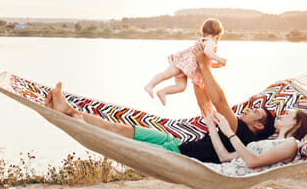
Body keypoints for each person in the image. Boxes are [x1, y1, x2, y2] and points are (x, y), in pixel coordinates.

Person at [43, 44, 275, 163]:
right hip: (173, 141)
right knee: (117, 129)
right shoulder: (233, 125)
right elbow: (205, 101)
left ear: (258, 127)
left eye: (256, 111)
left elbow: (219, 100)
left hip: (174, 155)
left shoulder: (243, 132)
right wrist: (195, 69)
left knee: (115, 139)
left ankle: (70, 115)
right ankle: (68, 111)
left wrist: (204, 65)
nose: (249, 109)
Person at [143, 18, 228, 107]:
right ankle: (150, 85)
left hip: (185, 68)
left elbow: (204, 62)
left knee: (181, 87)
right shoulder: (210, 42)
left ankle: (162, 92)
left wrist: (217, 65)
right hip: (182, 63)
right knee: (166, 74)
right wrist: (219, 59)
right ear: (217, 35)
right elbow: (208, 52)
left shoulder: (204, 41)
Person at [200, 109, 307, 177]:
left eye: (287, 114)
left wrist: (229, 132)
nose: (282, 115)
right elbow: (224, 157)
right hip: (222, 169)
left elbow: (252, 162)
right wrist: (211, 126)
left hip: (228, 176)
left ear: (297, 124)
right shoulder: (269, 142)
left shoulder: (291, 144)